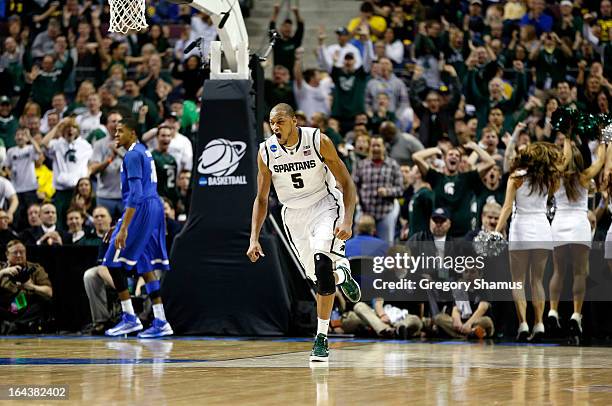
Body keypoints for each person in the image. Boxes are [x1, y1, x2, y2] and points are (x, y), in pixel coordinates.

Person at [247, 103, 360, 362]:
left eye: (281, 122)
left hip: (324, 205)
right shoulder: (266, 151)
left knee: (321, 263)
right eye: (272, 123)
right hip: (293, 214)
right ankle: (341, 274)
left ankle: (321, 337)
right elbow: (261, 199)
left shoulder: (318, 140)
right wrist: (254, 237)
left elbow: (346, 182)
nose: (275, 127)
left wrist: (347, 220)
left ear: (294, 121)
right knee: (319, 279)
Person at [102, 117, 172, 338]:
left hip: (142, 207)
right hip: (154, 207)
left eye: (120, 131)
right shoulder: (144, 151)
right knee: (145, 264)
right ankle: (161, 320)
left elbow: (136, 195)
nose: (116, 134)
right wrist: (119, 224)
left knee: (112, 261)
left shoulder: (132, 154)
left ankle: (130, 318)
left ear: (132, 133)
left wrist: (123, 228)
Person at [495, 142, 562, 342]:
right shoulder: (549, 179)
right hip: (542, 228)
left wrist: (497, 231)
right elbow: (561, 164)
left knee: (518, 281)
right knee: (537, 281)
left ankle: (523, 323)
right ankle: (539, 324)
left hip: (521, 228)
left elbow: (507, 207)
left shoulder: (516, 178)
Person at [550, 140, 605, 340]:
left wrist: (566, 136)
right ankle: (575, 314)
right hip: (579, 225)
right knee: (580, 273)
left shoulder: (555, 178)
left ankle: (553, 311)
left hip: (559, 224)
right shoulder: (584, 177)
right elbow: (600, 161)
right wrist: (605, 141)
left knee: (558, 271)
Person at [412, 142, 495, 237]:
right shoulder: (436, 177)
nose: (454, 157)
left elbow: (490, 162)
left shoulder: (467, 178)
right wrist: (436, 150)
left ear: (459, 162)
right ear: (444, 159)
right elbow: (416, 157)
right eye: (450, 154)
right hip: (441, 233)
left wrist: (475, 147)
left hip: (463, 235)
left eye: (457, 155)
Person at [0, 240, 53, 334]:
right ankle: (12, 325)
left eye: (22, 252)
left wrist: (31, 286)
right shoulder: (1, 267)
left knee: (44, 301)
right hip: (5, 307)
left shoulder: (35, 268)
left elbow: (49, 292)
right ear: (7, 255)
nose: (19, 255)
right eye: (15, 253)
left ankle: (14, 325)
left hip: (24, 309)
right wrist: (3, 272)